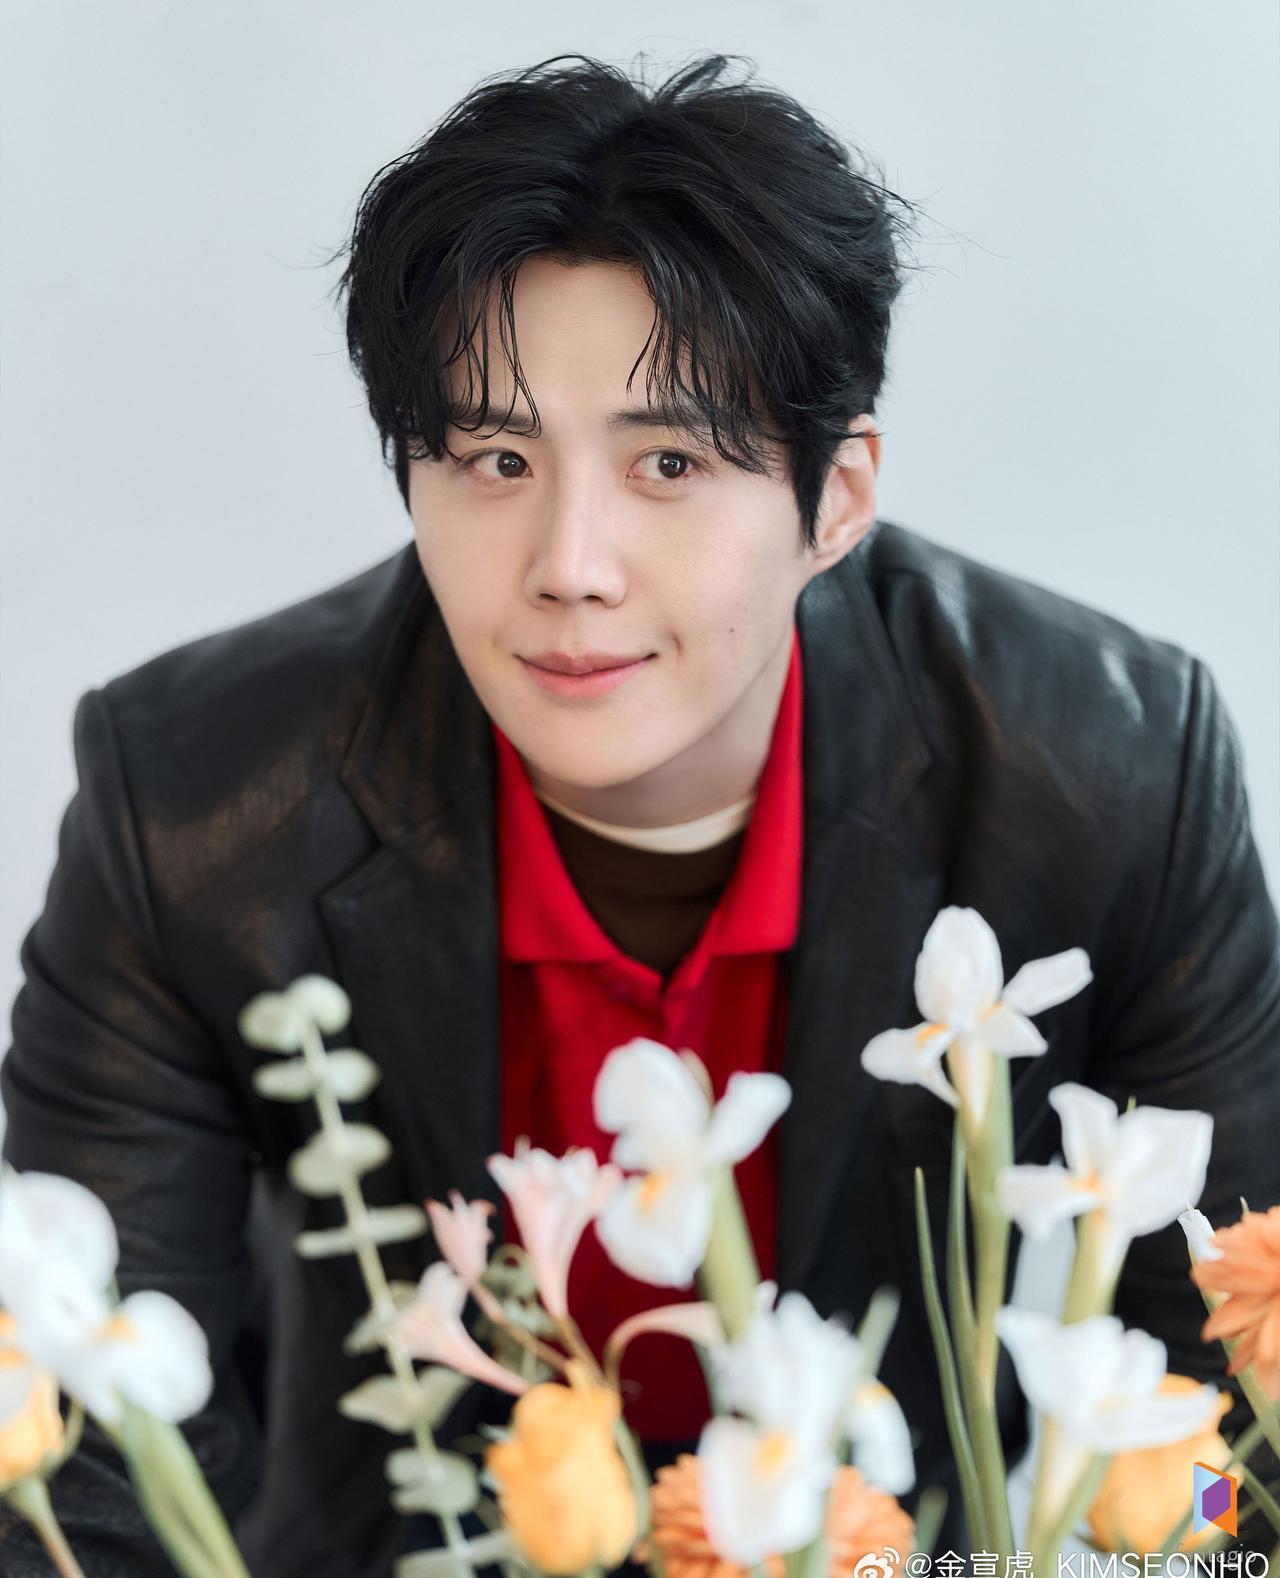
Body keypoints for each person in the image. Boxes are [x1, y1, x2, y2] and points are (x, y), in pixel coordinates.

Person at [3, 50, 1278, 1577]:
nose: (569, 565)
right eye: (494, 457)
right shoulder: (189, 803)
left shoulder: (1113, 774)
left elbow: (1239, 1438)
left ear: (836, 496)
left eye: (669, 460)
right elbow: (75, 1470)